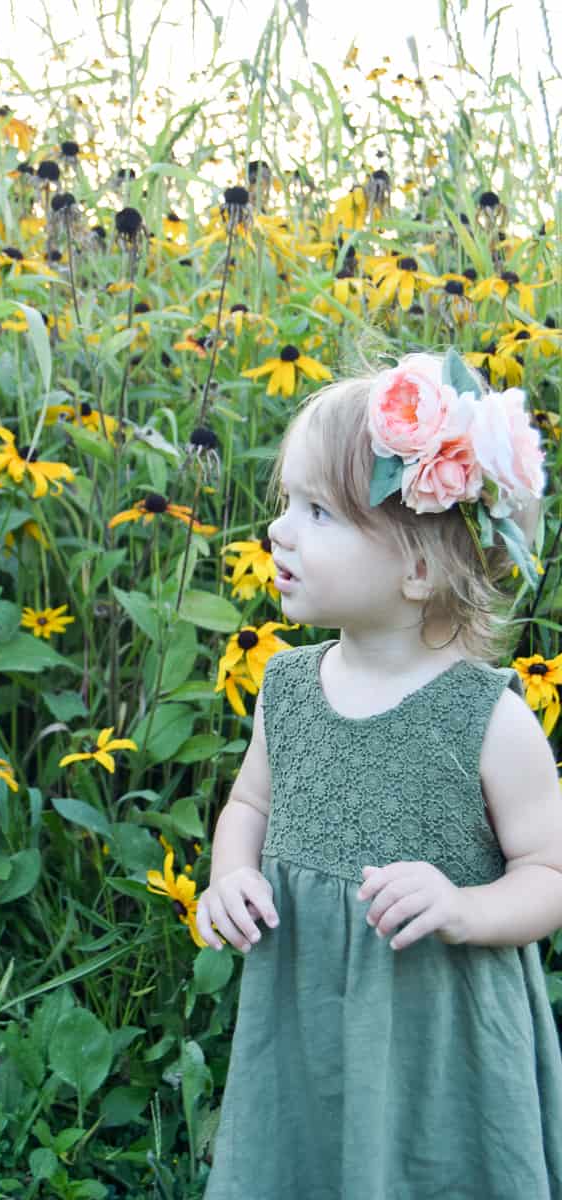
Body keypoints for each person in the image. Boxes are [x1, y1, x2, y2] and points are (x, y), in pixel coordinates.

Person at [197, 351, 562, 1198]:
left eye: (317, 511)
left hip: (438, 1048)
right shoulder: (286, 686)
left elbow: (551, 872)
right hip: (308, 1026)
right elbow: (249, 803)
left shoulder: (486, 717)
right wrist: (230, 874)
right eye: (285, 503)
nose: (279, 531)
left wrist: (465, 907)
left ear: (419, 567)